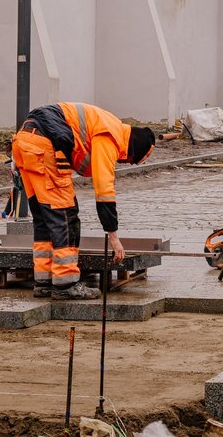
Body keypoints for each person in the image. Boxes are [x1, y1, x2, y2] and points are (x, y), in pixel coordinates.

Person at [12, 102, 156, 300]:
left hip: (25, 142)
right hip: (44, 146)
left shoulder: (106, 122)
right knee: (65, 217)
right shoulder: (110, 136)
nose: (123, 162)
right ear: (133, 148)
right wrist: (113, 236)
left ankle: (43, 281)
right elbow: (104, 190)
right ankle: (65, 284)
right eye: (129, 160)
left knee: (44, 218)